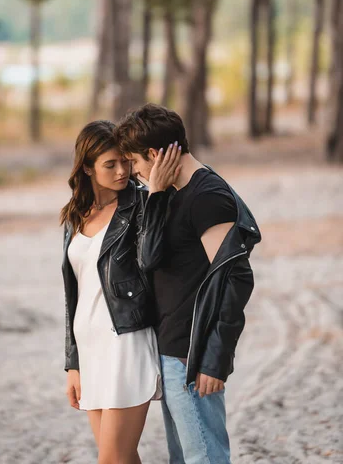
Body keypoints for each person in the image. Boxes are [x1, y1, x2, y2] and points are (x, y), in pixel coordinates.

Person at [115, 104, 262, 464]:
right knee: (183, 458)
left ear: (153, 155)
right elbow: (148, 260)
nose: (133, 173)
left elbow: (236, 279)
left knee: (204, 457)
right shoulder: (170, 193)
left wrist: (215, 359)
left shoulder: (207, 196)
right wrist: (156, 195)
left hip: (191, 354)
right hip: (172, 350)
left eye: (134, 163)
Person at [60, 120, 181, 464]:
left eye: (125, 162)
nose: (122, 171)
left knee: (111, 459)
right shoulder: (75, 216)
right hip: (90, 347)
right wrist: (72, 364)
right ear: (86, 167)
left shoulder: (142, 206)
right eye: (109, 164)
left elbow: (151, 257)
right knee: (122, 458)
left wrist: (156, 195)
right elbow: (73, 295)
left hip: (126, 342)